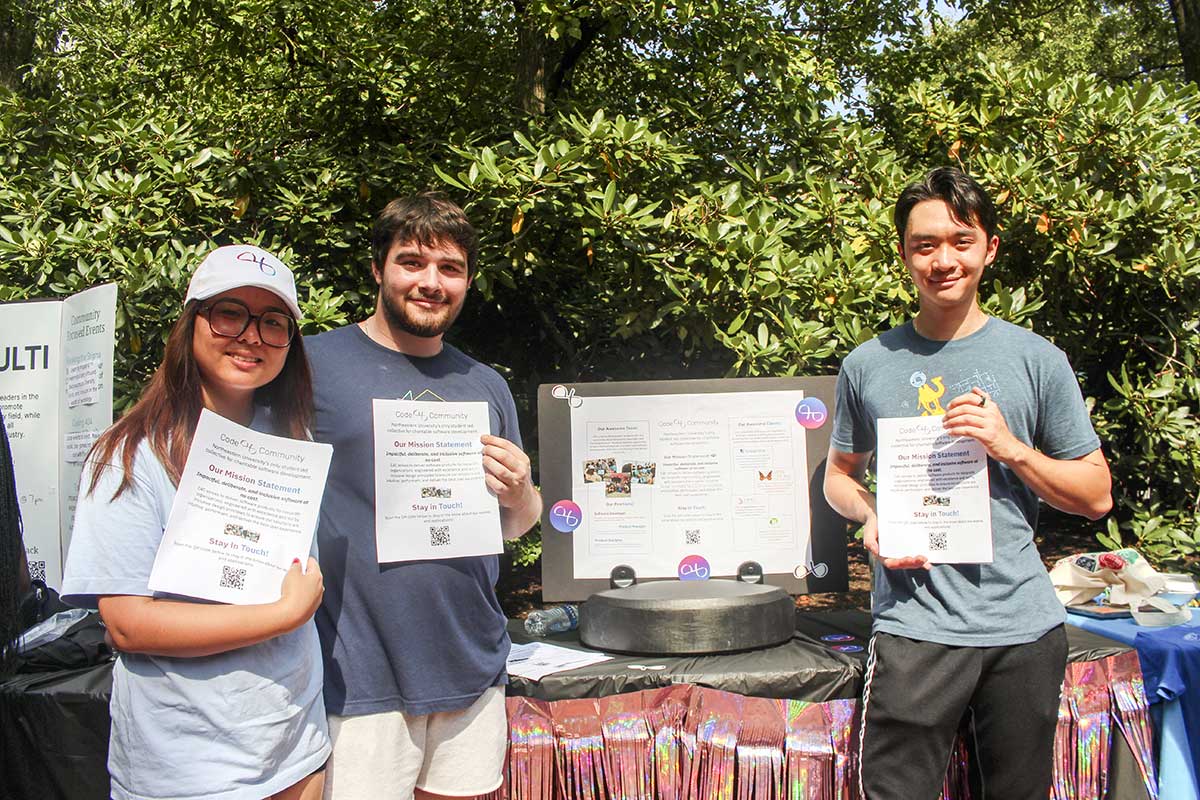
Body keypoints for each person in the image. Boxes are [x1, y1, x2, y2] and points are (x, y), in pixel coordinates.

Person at [823, 166, 1112, 800]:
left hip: (1023, 631)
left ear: (989, 249)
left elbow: (1096, 495)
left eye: (961, 240)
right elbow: (839, 476)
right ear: (904, 255)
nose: (944, 260)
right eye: (925, 245)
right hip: (912, 628)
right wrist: (870, 514)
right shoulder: (868, 363)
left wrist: (1010, 447)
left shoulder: (1038, 360)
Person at [61, 246, 330, 800]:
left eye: (273, 322)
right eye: (230, 312)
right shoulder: (129, 456)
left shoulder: (292, 439)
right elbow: (129, 624)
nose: (251, 335)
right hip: (188, 765)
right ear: (191, 324)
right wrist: (284, 613)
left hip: (296, 745)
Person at [306, 193, 542, 799]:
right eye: (412, 262)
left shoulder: (484, 383)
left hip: (470, 665)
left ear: (467, 281)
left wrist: (519, 492)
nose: (431, 282)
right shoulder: (309, 366)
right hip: (356, 676)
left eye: (450, 269)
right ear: (377, 268)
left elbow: (517, 524)